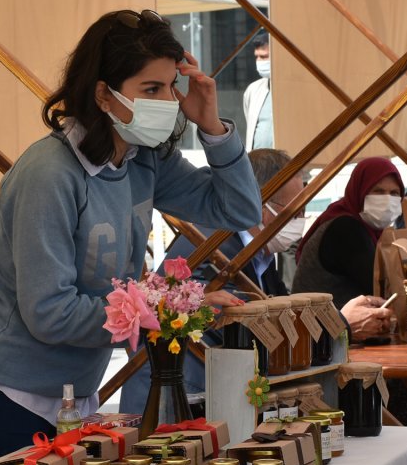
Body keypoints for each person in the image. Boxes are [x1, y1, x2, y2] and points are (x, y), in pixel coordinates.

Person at [0, 9, 261, 464]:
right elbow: (50, 313)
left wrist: (212, 128)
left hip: (71, 391)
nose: (169, 101)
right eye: (151, 89)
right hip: (4, 392)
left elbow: (240, 210)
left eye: (171, 86)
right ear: (103, 96)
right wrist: (167, 311)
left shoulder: (143, 159)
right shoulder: (49, 174)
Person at [117, 149, 392, 415]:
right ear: (259, 205)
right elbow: (251, 331)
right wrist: (342, 322)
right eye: (293, 212)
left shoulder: (260, 256)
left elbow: (284, 312)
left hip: (207, 394)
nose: (300, 220)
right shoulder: (215, 250)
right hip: (174, 402)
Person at [293, 158, 404, 309]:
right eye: (378, 191)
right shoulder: (346, 229)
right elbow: (383, 288)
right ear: (360, 191)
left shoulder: (358, 225)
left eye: (394, 193)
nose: (387, 200)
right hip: (326, 329)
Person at [242, 33, 274, 150]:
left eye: (264, 57)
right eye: (257, 57)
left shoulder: (295, 91)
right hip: (258, 164)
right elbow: (250, 122)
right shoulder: (253, 90)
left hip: (289, 164)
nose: (259, 61)